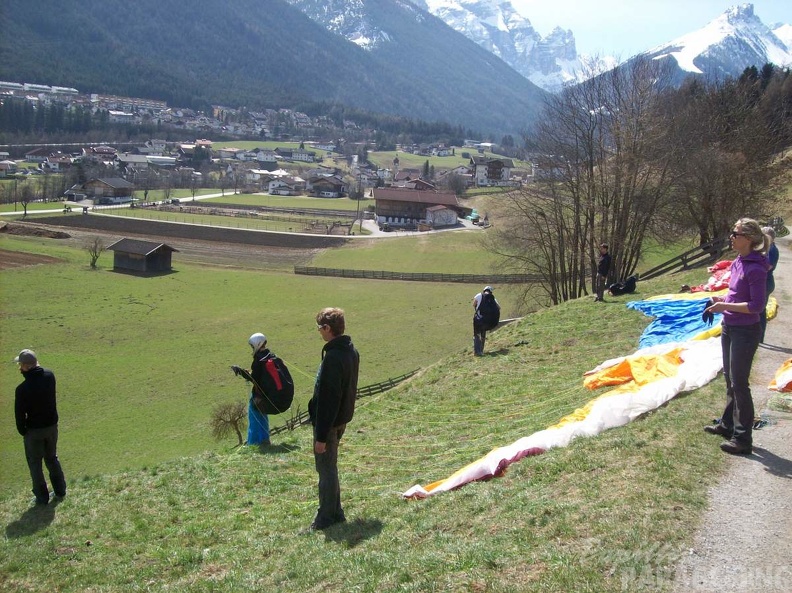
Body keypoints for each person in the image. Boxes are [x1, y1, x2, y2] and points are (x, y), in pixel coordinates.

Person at [703, 218, 770, 455]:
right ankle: (727, 424)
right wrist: (721, 302)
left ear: (749, 239)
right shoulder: (738, 262)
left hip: (745, 331)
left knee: (740, 384)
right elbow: (735, 294)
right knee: (730, 380)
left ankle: (743, 439)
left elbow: (757, 306)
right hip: (730, 326)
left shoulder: (755, 267)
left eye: (736, 233)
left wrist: (726, 307)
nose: (731, 236)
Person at [308, 307, 360, 530]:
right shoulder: (351, 351)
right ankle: (336, 512)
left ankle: (325, 518)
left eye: (320, 328)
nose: (319, 332)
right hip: (341, 420)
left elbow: (328, 399)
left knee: (326, 469)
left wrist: (320, 436)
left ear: (328, 328)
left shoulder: (333, 357)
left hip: (329, 424)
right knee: (331, 466)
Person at [13, 349, 67, 505]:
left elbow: (19, 415)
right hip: (51, 427)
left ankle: (42, 497)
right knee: (52, 458)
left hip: (34, 431)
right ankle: (60, 489)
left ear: (26, 366)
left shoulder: (22, 389)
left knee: (35, 463)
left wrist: (23, 430)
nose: (19, 367)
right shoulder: (49, 376)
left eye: (21, 365)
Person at [246, 332, 274, 447]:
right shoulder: (270, 355)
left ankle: (253, 443)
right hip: (267, 394)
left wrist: (243, 373)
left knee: (255, 417)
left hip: (259, 394)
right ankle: (264, 440)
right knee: (263, 417)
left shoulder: (259, 359)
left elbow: (255, 378)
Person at [759, 226, 779, 342]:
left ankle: (759, 337)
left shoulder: (772, 250)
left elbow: (769, 266)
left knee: (760, 310)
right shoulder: (767, 248)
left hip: (766, 282)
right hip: (765, 281)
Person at [472, 286, 500, 356]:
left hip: (478, 320)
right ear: (491, 292)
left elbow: (473, 304)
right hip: (488, 321)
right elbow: (499, 307)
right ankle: (481, 350)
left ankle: (477, 352)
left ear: (484, 290)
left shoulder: (479, 295)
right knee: (483, 335)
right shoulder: (493, 298)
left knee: (476, 335)